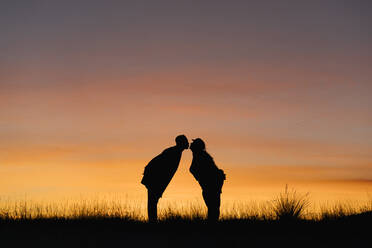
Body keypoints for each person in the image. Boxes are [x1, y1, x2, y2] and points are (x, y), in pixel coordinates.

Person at [141, 135, 189, 222]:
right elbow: (156, 162)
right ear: (181, 143)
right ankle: (152, 222)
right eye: (186, 141)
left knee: (153, 201)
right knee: (152, 201)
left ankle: (153, 221)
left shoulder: (176, 152)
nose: (188, 143)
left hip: (158, 179)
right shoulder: (173, 152)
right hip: (155, 179)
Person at [189, 138, 226, 222]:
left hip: (212, 184)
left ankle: (212, 226)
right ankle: (212, 225)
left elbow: (193, 169)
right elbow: (193, 169)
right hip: (211, 184)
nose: (190, 144)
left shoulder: (201, 156)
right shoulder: (200, 155)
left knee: (213, 206)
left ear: (197, 147)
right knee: (213, 206)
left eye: (193, 144)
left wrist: (200, 177)